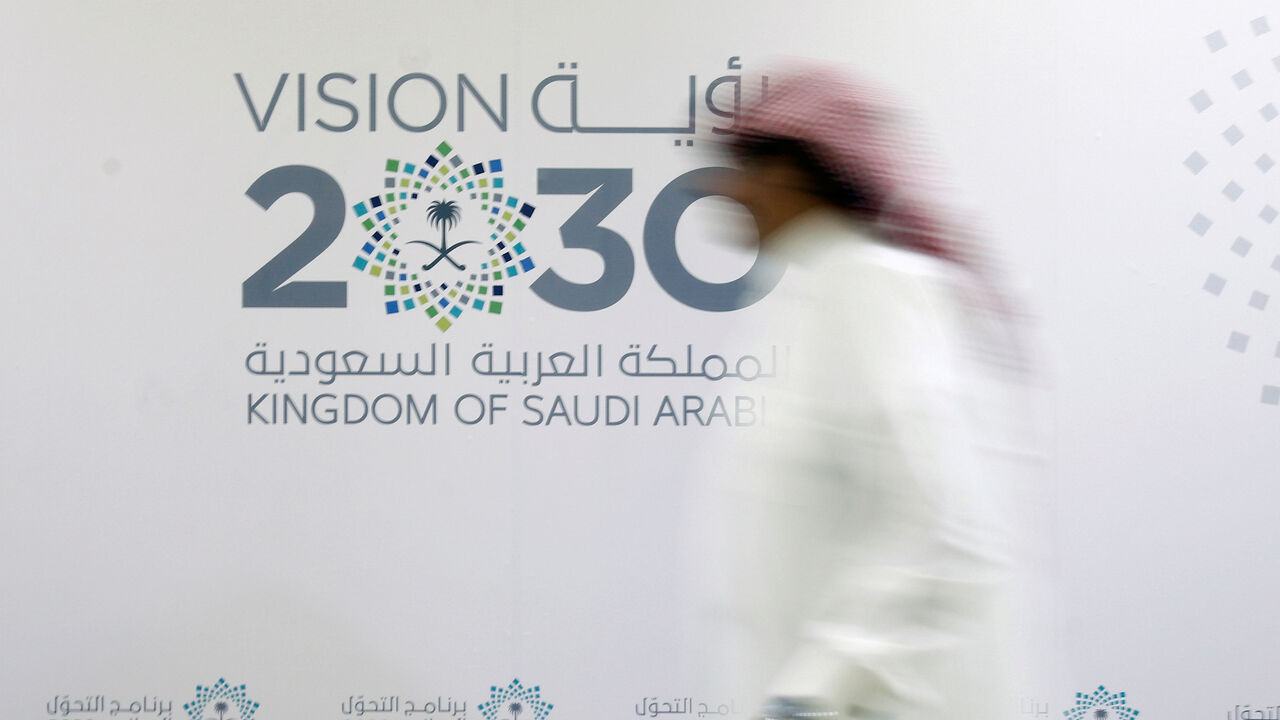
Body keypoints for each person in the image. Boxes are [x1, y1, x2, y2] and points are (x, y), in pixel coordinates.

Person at [706, 64, 1018, 720]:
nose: (728, 192)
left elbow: (945, 527)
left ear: (792, 176)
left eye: (745, 171)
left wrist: (815, 692)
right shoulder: (810, 295)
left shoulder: (872, 288)